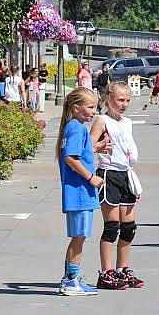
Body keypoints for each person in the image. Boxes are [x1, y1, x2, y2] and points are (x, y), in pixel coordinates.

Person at [55, 87, 111, 296]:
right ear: (76, 108)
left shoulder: (73, 127)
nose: (94, 111)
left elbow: (77, 152)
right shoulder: (77, 128)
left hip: (79, 192)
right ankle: (71, 280)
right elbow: (71, 158)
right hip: (80, 191)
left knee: (80, 236)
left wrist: (95, 148)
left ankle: (72, 278)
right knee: (79, 237)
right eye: (90, 107)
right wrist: (91, 177)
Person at [90, 82, 145, 291]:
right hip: (109, 174)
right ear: (109, 99)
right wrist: (100, 147)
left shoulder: (127, 122)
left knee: (129, 228)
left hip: (126, 175)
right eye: (120, 100)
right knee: (112, 227)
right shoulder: (101, 120)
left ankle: (123, 269)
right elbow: (88, 146)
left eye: (127, 101)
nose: (124, 105)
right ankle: (106, 273)